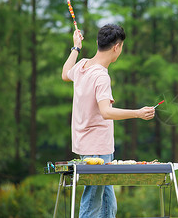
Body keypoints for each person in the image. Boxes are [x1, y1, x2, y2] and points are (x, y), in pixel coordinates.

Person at [61, 24, 155, 218]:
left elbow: (65, 74)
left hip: (93, 146)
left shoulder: (83, 65)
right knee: (92, 203)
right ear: (117, 47)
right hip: (96, 148)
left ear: (98, 43)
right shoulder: (101, 76)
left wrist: (76, 47)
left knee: (108, 205)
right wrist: (138, 113)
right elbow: (106, 112)